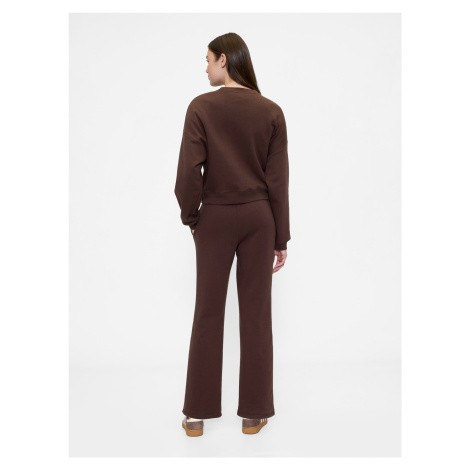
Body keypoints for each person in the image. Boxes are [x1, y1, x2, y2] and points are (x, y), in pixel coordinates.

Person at [175, 32, 291, 437]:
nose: (205, 67)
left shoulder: (201, 107)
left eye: (208, 59)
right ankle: (254, 414)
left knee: (207, 311)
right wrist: (280, 237)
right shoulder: (271, 111)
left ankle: (196, 414)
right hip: (260, 218)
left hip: (216, 218)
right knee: (257, 315)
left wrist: (193, 217)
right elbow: (278, 182)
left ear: (224, 60)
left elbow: (188, 172)